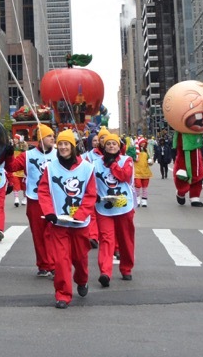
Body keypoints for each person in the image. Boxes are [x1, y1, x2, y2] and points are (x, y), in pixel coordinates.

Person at [38, 129, 98, 309]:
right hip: (59, 223)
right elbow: (43, 191)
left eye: (67, 144)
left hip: (80, 224)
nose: (63, 147)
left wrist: (80, 214)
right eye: (61, 144)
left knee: (80, 258)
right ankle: (63, 294)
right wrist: (48, 211)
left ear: (73, 147)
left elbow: (91, 194)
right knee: (61, 259)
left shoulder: (87, 168)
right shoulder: (50, 167)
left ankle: (82, 279)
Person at [7, 124, 56, 276]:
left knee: (53, 233)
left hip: (55, 200)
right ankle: (43, 265)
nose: (52, 138)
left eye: (53, 136)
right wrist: (8, 154)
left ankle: (53, 264)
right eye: (49, 136)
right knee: (38, 234)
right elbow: (12, 167)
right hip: (35, 200)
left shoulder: (58, 154)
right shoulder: (27, 155)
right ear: (41, 138)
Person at [92, 130, 135, 286]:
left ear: (119, 146)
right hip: (104, 206)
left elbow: (125, 176)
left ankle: (126, 268)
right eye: (108, 143)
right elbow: (89, 181)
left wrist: (113, 164)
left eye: (114, 143)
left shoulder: (126, 160)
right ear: (104, 146)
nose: (111, 146)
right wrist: (93, 194)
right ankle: (105, 272)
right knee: (106, 239)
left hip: (124, 205)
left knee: (125, 239)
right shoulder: (95, 163)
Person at [132, 137, 152, 207]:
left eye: (144, 142)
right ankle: (137, 199)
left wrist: (150, 162)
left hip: (145, 172)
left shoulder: (146, 151)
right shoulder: (135, 151)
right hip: (137, 172)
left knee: (145, 187)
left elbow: (150, 160)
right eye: (142, 142)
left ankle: (144, 201)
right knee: (137, 186)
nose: (144, 143)